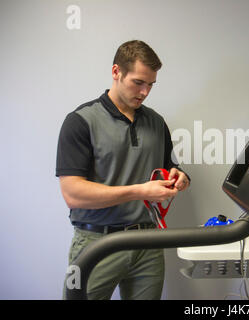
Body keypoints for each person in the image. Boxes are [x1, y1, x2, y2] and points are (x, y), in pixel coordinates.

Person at [56, 40, 190, 300]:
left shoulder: (157, 122)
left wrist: (180, 177)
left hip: (148, 244)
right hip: (96, 243)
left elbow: (170, 167)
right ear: (117, 72)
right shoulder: (80, 121)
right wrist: (140, 191)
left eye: (151, 85)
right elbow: (72, 193)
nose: (145, 92)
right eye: (138, 82)